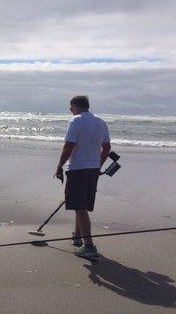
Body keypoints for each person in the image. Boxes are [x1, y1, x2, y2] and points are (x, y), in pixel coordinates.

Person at [54, 95, 111, 258]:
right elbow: (106, 147)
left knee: (79, 207)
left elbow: (69, 145)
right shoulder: (100, 121)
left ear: (76, 106)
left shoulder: (76, 121)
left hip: (78, 168)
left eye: (70, 106)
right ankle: (78, 237)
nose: (70, 110)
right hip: (93, 169)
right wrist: (98, 164)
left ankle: (89, 247)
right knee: (82, 206)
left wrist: (59, 166)